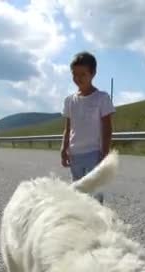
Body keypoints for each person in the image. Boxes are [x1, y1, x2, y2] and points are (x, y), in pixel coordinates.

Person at [61, 51, 115, 203]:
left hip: (94, 153)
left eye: (83, 74)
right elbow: (68, 126)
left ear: (93, 74)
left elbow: (107, 127)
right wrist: (64, 148)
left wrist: (104, 153)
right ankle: (81, 221)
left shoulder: (102, 98)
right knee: (77, 191)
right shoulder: (70, 100)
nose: (78, 78)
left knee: (95, 191)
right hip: (75, 153)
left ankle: (97, 221)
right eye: (74, 74)